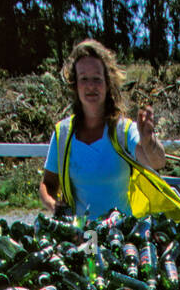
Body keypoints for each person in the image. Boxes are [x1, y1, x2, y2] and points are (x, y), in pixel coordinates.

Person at [39, 39, 167, 219]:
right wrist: (53, 205)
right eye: (84, 79)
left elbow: (157, 162)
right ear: (75, 85)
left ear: (108, 84)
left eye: (97, 79)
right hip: (81, 239)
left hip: (119, 236)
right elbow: (48, 183)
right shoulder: (63, 134)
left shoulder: (123, 130)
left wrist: (149, 141)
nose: (90, 85)